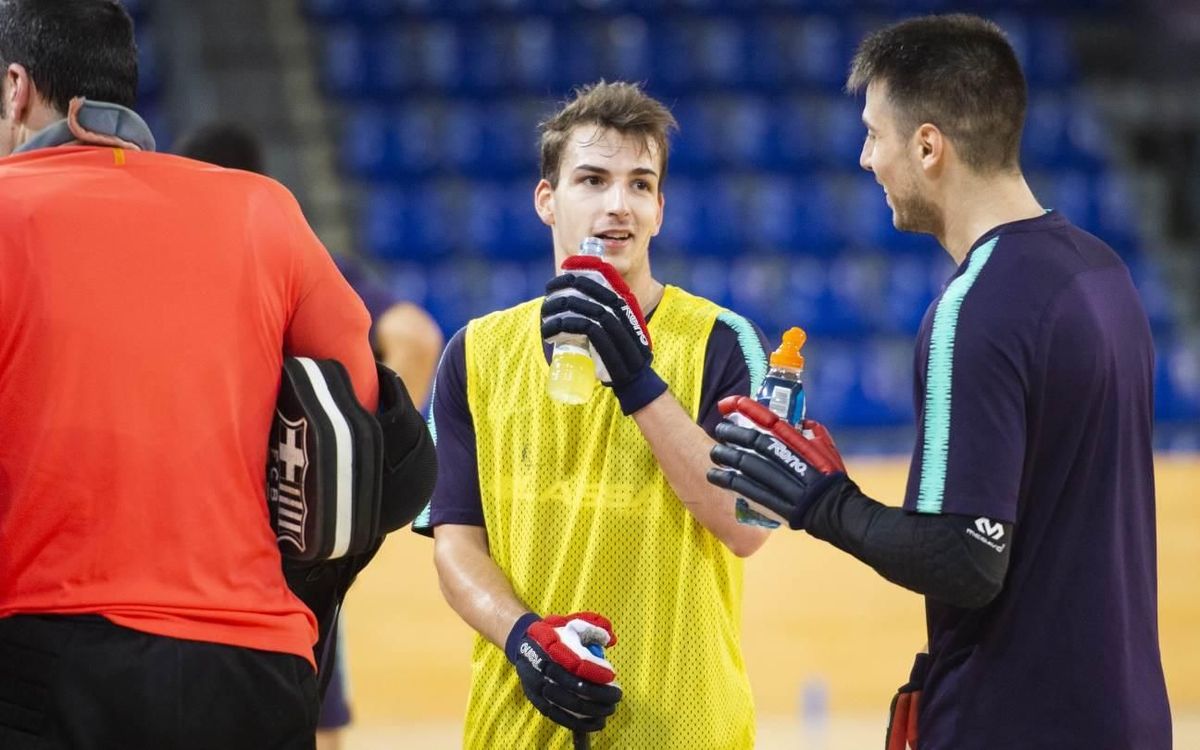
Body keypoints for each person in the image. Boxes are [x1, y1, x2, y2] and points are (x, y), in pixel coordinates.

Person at [707, 14, 1172, 750]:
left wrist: (818, 499)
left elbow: (966, 560)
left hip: (1014, 724)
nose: (865, 159)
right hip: (1129, 716)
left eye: (874, 135)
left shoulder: (977, 306)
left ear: (928, 146)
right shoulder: (1103, 273)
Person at [0, 2, 433, 749]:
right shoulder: (263, 210)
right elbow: (380, 451)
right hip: (254, 673)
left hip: (52, 664)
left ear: (15, 87)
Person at [413, 80, 770, 748]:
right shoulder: (476, 354)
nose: (618, 206)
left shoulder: (721, 342)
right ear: (547, 200)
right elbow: (456, 546)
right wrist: (524, 640)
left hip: (682, 730)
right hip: (517, 728)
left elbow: (747, 527)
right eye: (592, 180)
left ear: (660, 210)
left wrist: (637, 381)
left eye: (640, 184)